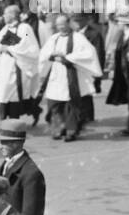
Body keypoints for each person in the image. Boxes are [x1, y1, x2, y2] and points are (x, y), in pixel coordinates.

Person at [39, 14, 101, 142]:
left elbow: (88, 53)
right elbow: (44, 53)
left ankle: (71, 131)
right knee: (54, 103)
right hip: (56, 75)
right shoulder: (54, 38)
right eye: (58, 25)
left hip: (70, 75)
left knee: (70, 104)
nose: (60, 27)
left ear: (68, 24)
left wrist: (67, 57)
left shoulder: (78, 37)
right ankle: (58, 128)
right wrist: (52, 55)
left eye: (63, 24)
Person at [0, 5, 41, 121]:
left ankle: (15, 117)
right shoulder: (5, 29)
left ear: (13, 15)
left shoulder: (25, 28)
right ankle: (5, 117)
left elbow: (27, 44)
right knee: (4, 91)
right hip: (5, 65)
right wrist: (1, 48)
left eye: (5, 14)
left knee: (15, 93)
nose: (3, 16)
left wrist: (10, 49)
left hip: (18, 65)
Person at [0, 119, 45, 215]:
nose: (0, 147)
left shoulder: (31, 174)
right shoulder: (6, 163)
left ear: (16, 143)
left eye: (4, 142)